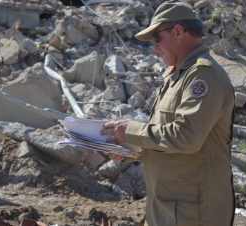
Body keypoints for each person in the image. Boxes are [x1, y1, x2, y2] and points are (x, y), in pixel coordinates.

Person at [100, 0, 235, 225]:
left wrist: (131, 130)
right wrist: (130, 149)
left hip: (194, 211)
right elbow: (166, 139)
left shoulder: (203, 76)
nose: (155, 46)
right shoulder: (177, 76)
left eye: (157, 38)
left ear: (178, 31)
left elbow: (186, 137)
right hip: (173, 205)